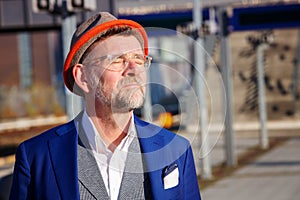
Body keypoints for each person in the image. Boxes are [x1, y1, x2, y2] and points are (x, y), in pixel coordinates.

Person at [9, 12, 201, 200]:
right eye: (117, 60)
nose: (134, 69)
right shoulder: (36, 156)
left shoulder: (176, 150)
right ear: (83, 78)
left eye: (138, 59)